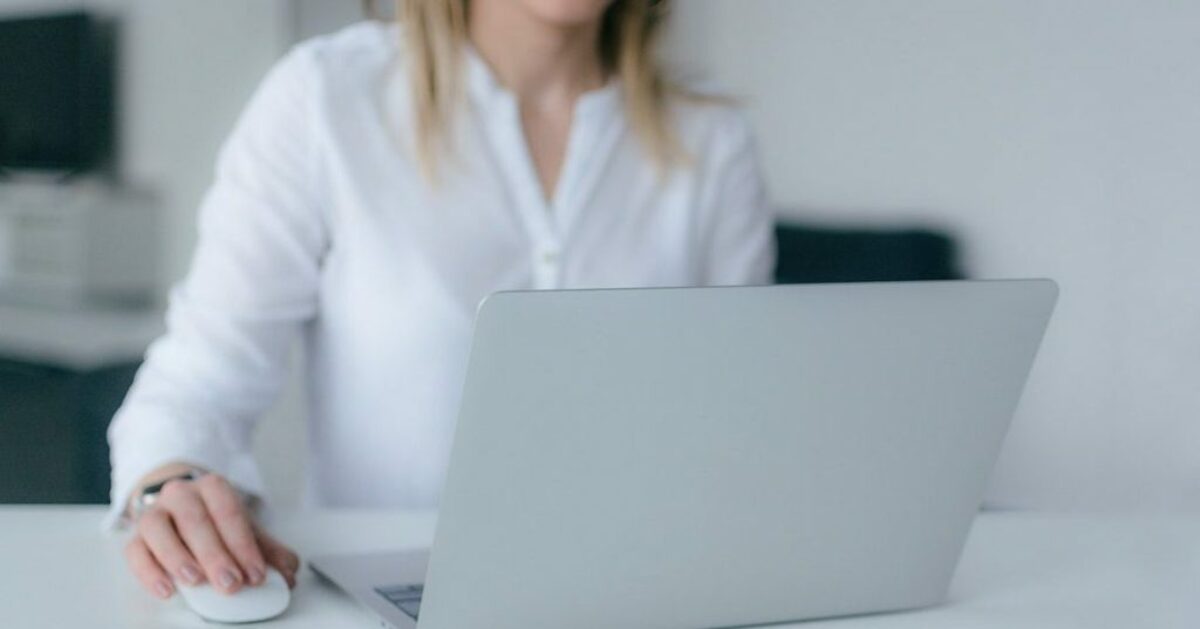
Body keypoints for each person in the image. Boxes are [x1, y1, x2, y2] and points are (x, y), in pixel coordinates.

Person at [108, 0, 774, 601]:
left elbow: (741, 428)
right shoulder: (325, 99)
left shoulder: (712, 137)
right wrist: (171, 486)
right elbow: (195, 387)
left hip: (646, 593)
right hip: (380, 598)